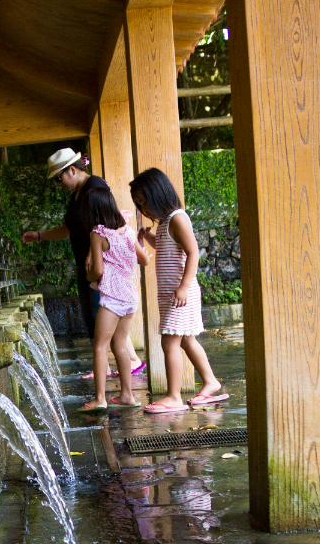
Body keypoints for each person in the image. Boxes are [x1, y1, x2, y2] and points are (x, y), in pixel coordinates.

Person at [22, 148, 144, 375]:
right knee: (93, 313)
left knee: (105, 311)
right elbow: (71, 229)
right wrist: (40, 235)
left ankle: (130, 361)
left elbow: (107, 224)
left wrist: (92, 252)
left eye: (58, 178)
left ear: (72, 170)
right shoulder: (77, 195)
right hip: (85, 262)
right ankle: (106, 366)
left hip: (99, 263)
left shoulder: (95, 188)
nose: (58, 184)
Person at [129, 167, 228, 414]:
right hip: (172, 294)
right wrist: (149, 236)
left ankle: (173, 396)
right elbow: (165, 247)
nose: (144, 209)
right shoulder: (164, 224)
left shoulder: (177, 218)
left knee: (169, 341)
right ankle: (210, 381)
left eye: (145, 202)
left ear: (159, 194)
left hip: (181, 293)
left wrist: (184, 287)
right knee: (185, 339)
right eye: (139, 205)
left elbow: (193, 252)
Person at [78, 187, 151, 411]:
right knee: (119, 344)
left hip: (112, 299)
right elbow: (144, 260)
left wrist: (87, 273)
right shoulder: (127, 231)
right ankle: (127, 395)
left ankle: (100, 398)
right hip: (130, 298)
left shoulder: (98, 234)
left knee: (100, 346)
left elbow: (98, 271)